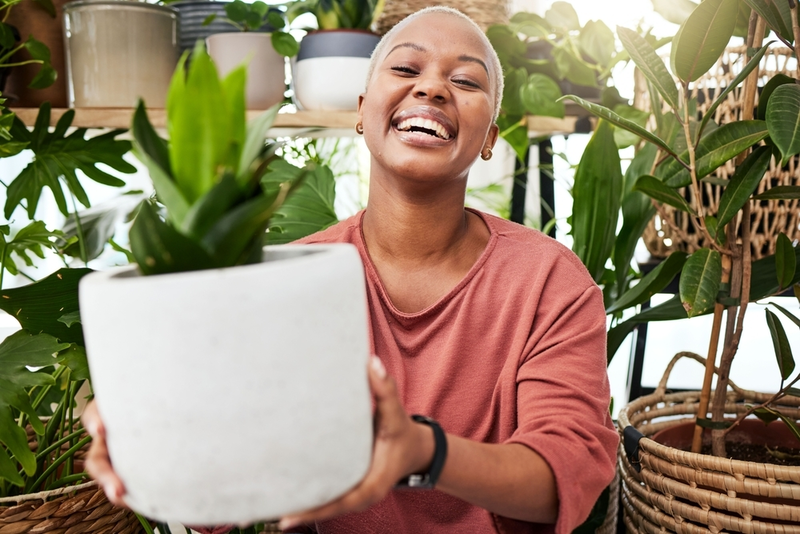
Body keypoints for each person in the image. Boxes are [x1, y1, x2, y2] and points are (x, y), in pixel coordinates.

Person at [83, 6, 619, 534]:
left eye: (464, 80)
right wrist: (153, 436)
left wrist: (422, 451)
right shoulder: (291, 282)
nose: (431, 89)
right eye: (407, 70)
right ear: (361, 112)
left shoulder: (549, 281)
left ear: (489, 141)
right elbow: (220, 508)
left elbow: (564, 474)